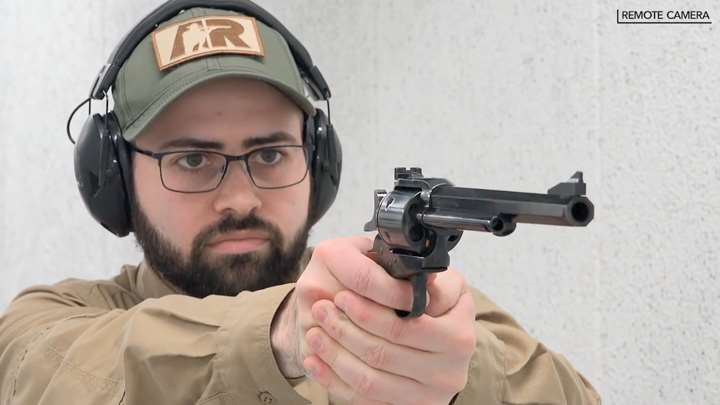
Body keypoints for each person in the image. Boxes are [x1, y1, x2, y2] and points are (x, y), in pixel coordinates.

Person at [0, 2, 601, 404]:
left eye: (269, 154)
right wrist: (285, 335)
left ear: (318, 163)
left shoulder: (423, 315)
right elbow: (45, 372)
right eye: (191, 159)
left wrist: (450, 375)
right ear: (115, 180)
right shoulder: (55, 321)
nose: (239, 197)